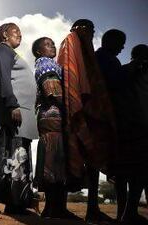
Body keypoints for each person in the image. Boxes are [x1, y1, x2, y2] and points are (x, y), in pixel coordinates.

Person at [57, 19, 116, 223]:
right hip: (75, 107)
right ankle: (60, 207)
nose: (89, 33)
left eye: (91, 30)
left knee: (93, 161)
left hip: (91, 111)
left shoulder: (90, 53)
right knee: (70, 154)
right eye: (87, 29)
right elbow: (68, 74)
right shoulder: (71, 42)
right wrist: (74, 101)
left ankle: (93, 208)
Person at [0, 23, 38, 215]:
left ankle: (17, 201)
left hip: (22, 110)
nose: (20, 35)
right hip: (13, 109)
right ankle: (14, 203)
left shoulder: (10, 52)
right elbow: (4, 79)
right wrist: (13, 104)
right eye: (16, 32)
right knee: (14, 152)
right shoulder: (2, 51)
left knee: (18, 151)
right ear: (5, 34)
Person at [31, 37, 78, 219]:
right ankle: (52, 208)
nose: (52, 46)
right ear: (38, 52)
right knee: (53, 160)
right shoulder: (45, 63)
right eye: (47, 44)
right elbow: (52, 88)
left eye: (53, 44)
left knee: (57, 161)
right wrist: (70, 108)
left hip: (52, 116)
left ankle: (56, 207)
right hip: (53, 116)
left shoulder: (50, 63)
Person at [94, 29, 127, 222]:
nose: (123, 47)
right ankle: (124, 212)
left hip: (100, 116)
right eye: (121, 42)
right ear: (111, 41)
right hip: (107, 117)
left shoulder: (96, 58)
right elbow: (117, 88)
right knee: (118, 166)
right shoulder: (109, 61)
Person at [114, 44, 148, 224]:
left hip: (123, 127)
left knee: (123, 172)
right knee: (140, 170)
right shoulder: (137, 72)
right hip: (138, 127)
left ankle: (123, 212)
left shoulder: (123, 70)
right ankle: (129, 213)